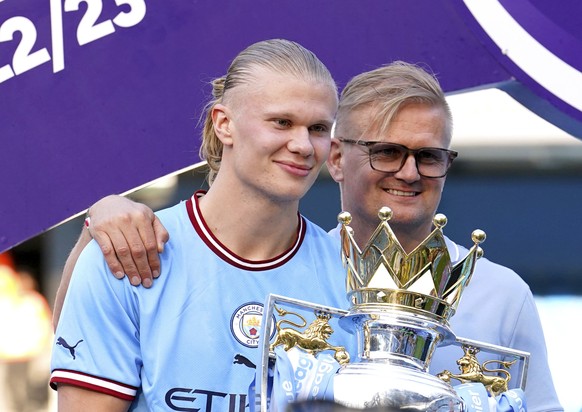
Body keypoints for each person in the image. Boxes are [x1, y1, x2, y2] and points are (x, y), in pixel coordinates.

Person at [53, 62, 563, 411]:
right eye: (387, 152)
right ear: (338, 160)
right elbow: (83, 349)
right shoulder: (318, 270)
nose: (409, 172)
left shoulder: (501, 294)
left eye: (429, 156)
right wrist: (96, 228)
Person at [50, 39, 354, 411]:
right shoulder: (127, 253)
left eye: (319, 128)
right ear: (224, 124)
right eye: (282, 122)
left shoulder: (350, 277)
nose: (304, 145)